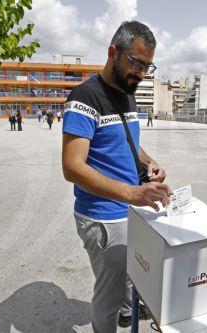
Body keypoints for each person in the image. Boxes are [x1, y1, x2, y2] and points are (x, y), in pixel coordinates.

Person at [62, 21, 169, 333]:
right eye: (136, 63)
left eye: (148, 66)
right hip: (103, 217)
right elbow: (72, 167)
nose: (141, 73)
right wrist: (132, 194)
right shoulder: (85, 97)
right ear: (113, 52)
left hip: (127, 208)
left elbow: (128, 143)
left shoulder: (128, 93)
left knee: (132, 274)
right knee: (108, 295)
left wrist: (149, 164)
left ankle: (127, 313)